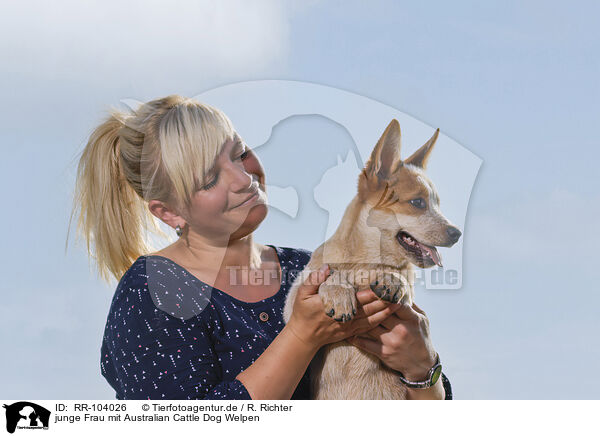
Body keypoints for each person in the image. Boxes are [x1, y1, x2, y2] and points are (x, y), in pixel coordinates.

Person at [70, 95, 452, 400]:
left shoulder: (308, 267)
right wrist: (302, 336)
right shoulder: (152, 292)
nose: (243, 178)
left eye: (239, 152)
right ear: (168, 212)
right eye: (209, 179)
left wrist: (421, 367)